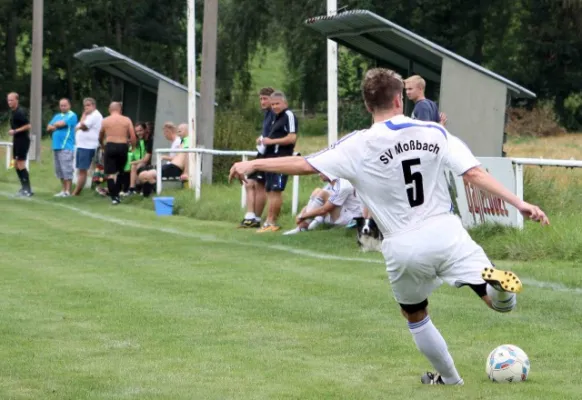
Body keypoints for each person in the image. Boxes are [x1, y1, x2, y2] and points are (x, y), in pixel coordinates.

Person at [229, 67, 550, 385]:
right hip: (446, 232)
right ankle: (497, 290)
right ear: (400, 99)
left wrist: (253, 162)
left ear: (368, 105)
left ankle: (451, 380)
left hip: (402, 245)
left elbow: (302, 163)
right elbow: (474, 174)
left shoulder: (358, 144)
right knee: (497, 304)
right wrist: (519, 203)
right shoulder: (433, 132)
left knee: (415, 315)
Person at [255, 90, 298, 233]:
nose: (274, 106)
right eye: (272, 104)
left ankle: (272, 222)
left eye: (277, 103)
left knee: (276, 190)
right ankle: (268, 222)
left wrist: (272, 141)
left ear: (284, 103)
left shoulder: (288, 115)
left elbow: (292, 138)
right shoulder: (274, 117)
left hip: (282, 158)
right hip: (270, 158)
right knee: (269, 189)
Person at [239, 87, 275, 228]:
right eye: (260, 99)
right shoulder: (267, 114)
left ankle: (256, 218)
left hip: (269, 154)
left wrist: (265, 140)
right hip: (262, 152)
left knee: (259, 185)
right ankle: (250, 215)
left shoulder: (274, 114)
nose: (262, 101)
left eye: (265, 98)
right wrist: (261, 138)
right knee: (249, 182)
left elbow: (275, 134)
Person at [283, 174, 362, 235]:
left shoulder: (344, 186)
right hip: (341, 214)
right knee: (317, 191)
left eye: (321, 171)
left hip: (352, 219)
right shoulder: (331, 184)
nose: (319, 174)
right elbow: (315, 205)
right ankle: (308, 225)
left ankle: (303, 227)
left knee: (323, 194)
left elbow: (325, 209)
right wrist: (302, 213)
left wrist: (303, 216)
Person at [99, 102, 136, 205]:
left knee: (110, 174)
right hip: (122, 146)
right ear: (120, 109)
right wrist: (133, 148)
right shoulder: (126, 120)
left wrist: (102, 145)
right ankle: (119, 193)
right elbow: (133, 136)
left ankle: (114, 197)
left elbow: (100, 135)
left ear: (109, 109)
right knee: (120, 171)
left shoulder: (105, 120)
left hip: (110, 146)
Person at [46, 98, 78, 197]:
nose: (63, 107)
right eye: (61, 105)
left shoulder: (72, 115)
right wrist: (55, 126)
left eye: (65, 105)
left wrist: (55, 125)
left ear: (69, 105)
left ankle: (68, 191)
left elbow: (61, 124)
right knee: (59, 170)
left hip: (66, 146)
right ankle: (63, 190)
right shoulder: (57, 116)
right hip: (56, 146)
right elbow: (48, 127)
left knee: (66, 169)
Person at [72, 97, 103, 196]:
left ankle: (76, 192)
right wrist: (83, 119)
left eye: (88, 105)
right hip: (82, 146)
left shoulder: (95, 115)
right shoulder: (88, 116)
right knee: (81, 169)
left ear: (94, 105)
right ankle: (77, 191)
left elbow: (83, 127)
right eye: (85, 106)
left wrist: (83, 117)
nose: (86, 107)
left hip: (88, 147)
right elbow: (77, 128)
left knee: (82, 170)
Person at [6, 92, 33, 196]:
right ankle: (23, 187)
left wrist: (15, 131)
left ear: (17, 100)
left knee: (21, 163)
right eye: (8, 100)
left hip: (23, 140)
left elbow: (28, 126)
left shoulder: (19, 112)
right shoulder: (13, 112)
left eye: (11, 100)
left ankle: (28, 189)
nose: (9, 102)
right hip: (16, 140)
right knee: (16, 164)